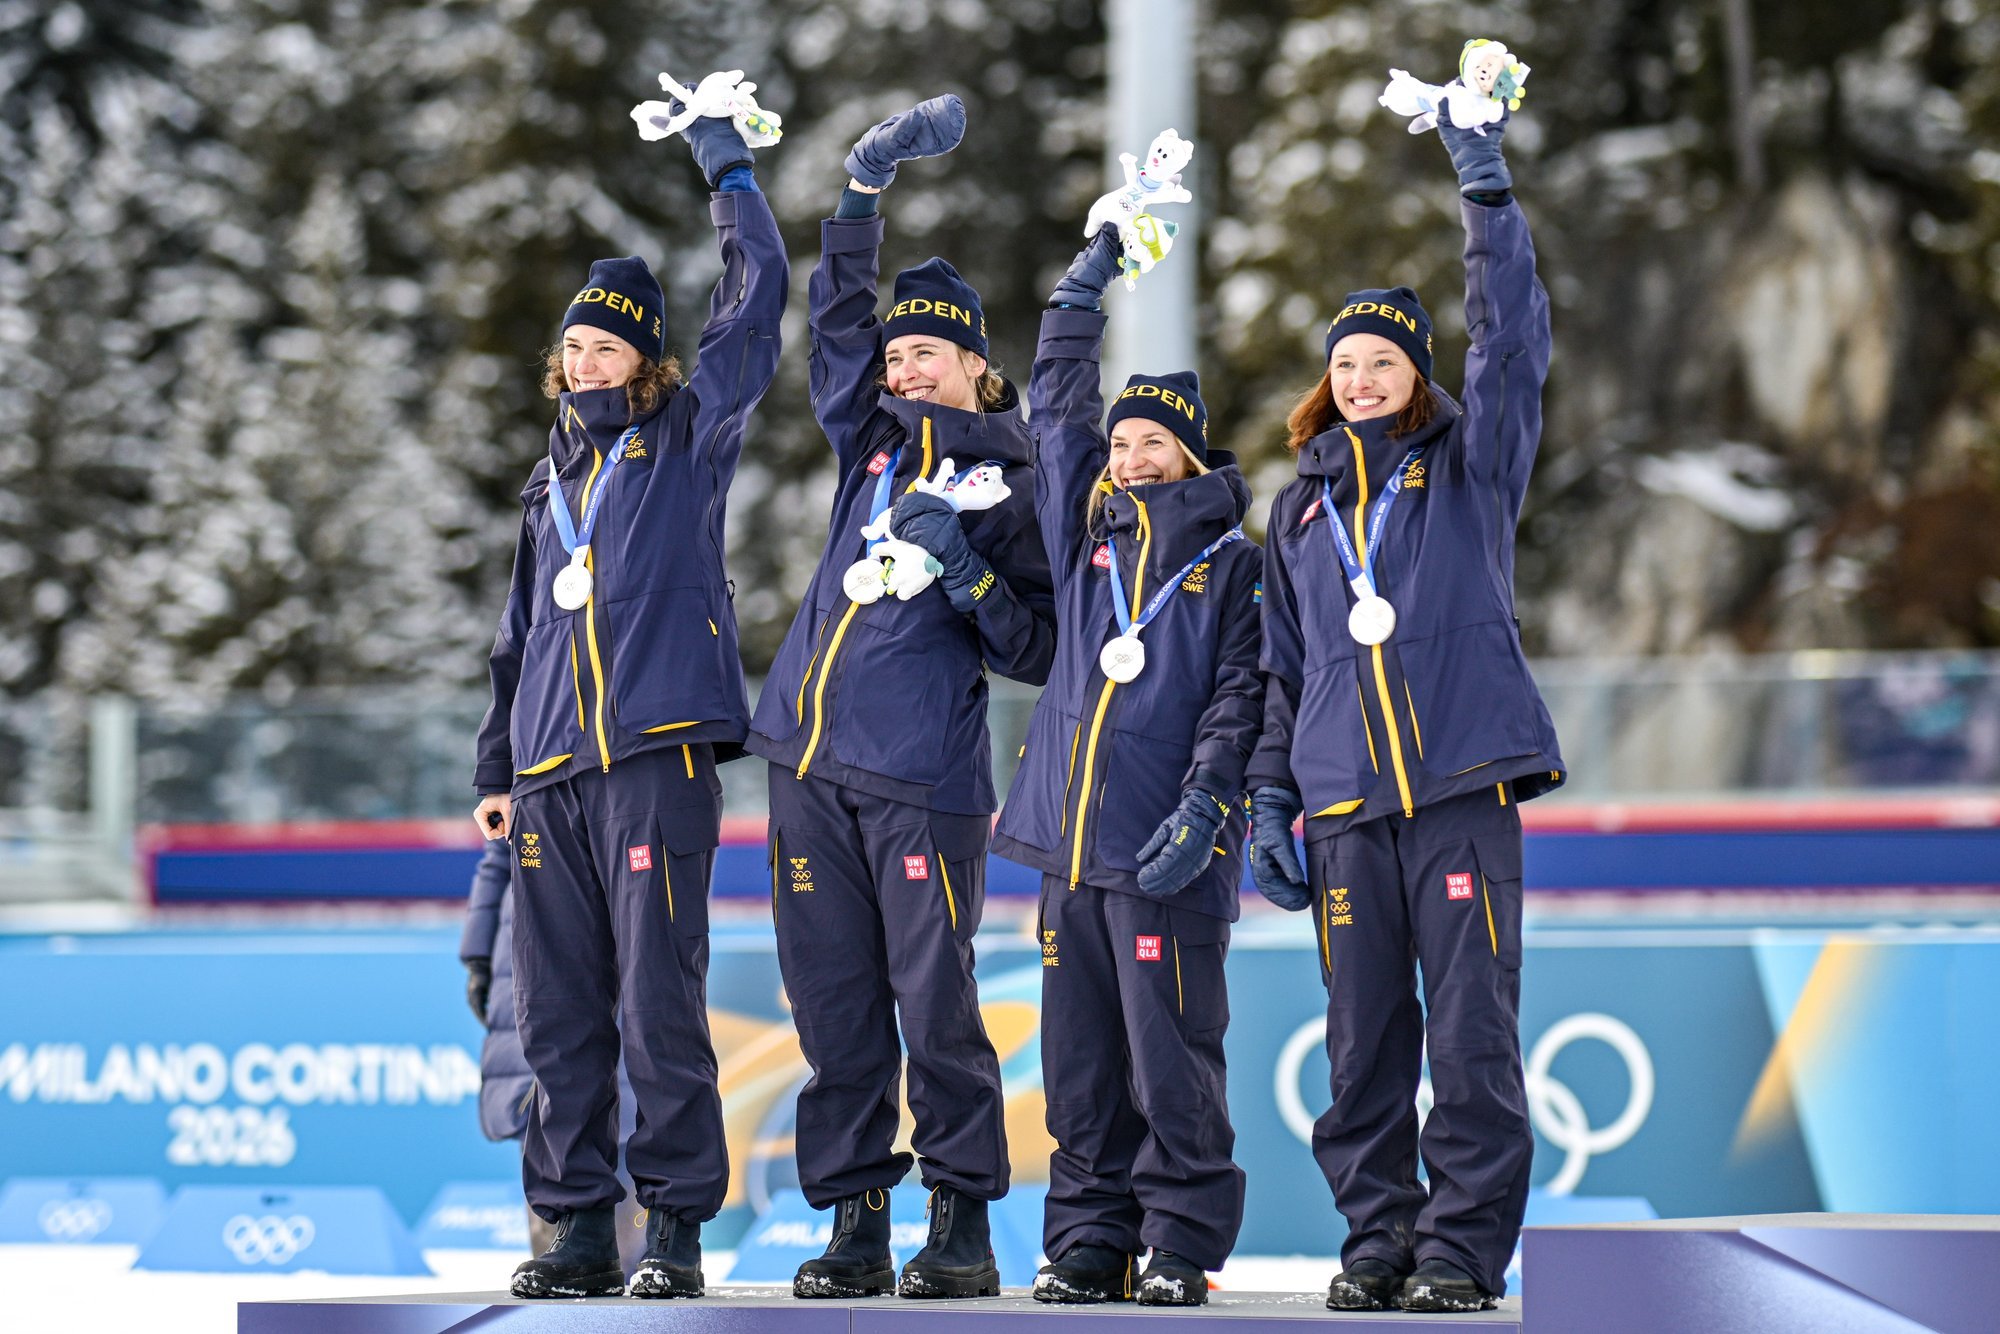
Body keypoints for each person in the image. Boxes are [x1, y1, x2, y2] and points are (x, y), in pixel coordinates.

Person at [1245, 73, 1565, 1315]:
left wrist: (1483, 190)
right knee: (1358, 1042)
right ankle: (1376, 1238)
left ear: (1416, 375)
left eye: (1383, 360)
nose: (1363, 376)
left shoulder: (1470, 465)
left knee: (1469, 1038)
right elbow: (1283, 665)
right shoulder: (1300, 507)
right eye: (1346, 362)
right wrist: (1272, 795)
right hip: (1340, 805)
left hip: (1455, 784)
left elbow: (1515, 343)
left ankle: (1457, 1251)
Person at [470, 88, 787, 1300]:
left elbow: (756, 298)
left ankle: (673, 1225)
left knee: (660, 1003)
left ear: (645, 357)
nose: (587, 362)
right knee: (558, 1015)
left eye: (608, 345)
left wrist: (724, 162)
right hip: (550, 773)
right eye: (575, 347)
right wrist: (495, 769)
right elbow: (514, 639)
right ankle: (571, 1227)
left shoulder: (689, 436)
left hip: (655, 754)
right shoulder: (544, 485)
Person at [744, 94, 1056, 1301]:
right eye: (894, 353)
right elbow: (831, 323)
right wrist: (860, 196)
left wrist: (971, 572)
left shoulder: (1021, 471)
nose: (900, 363)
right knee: (831, 1013)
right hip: (807, 762)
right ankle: (855, 1222)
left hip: (920, 778)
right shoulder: (868, 440)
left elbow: (1037, 646)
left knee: (936, 1007)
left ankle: (963, 1223)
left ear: (975, 364)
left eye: (924, 349)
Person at [989, 220, 1259, 1308]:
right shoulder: (1085, 549)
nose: (1129, 457)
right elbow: (1052, 415)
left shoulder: (1229, 565)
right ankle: (1090, 1237)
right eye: (1122, 443)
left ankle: (1181, 1238)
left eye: (1152, 442)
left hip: (1165, 851)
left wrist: (1207, 801)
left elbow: (1241, 693)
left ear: (1188, 455)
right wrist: (1080, 288)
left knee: (1172, 1059)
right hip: (1070, 851)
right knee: (1081, 1070)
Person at [458, 839, 644, 1268]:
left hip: (601, 944)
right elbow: (497, 855)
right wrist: (478, 956)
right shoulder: (512, 777)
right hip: (523, 957)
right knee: (544, 1131)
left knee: (620, 1129)